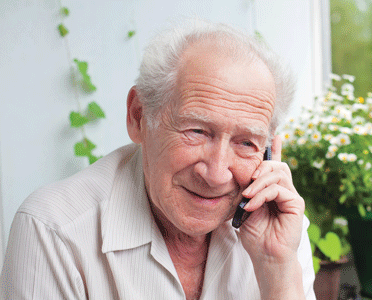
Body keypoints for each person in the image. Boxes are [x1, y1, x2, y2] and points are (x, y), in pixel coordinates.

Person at [0, 19, 316, 299]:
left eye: (246, 142)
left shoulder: (281, 232)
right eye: (197, 131)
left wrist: (278, 273)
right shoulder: (54, 231)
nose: (217, 173)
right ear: (138, 116)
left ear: (270, 151)